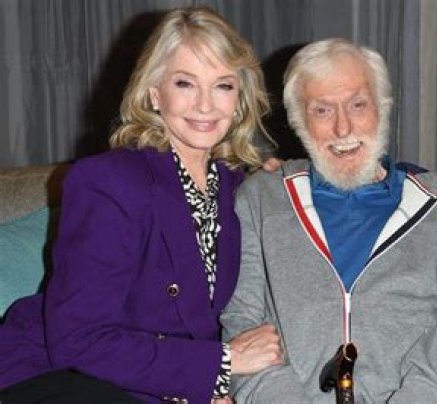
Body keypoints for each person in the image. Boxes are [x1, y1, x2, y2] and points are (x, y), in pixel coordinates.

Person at [0, 7, 283, 403]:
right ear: (154, 93)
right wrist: (220, 365)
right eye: (185, 83)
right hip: (54, 374)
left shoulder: (241, 190)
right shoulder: (109, 181)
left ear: (239, 99)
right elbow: (78, 339)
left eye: (222, 86)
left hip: (153, 385)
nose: (205, 105)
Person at [220, 38, 437, 403]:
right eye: (322, 110)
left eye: (358, 105)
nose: (343, 128)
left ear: (382, 108)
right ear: (298, 121)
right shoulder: (260, 200)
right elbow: (241, 323)